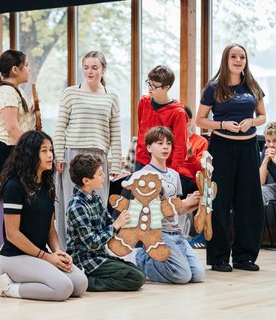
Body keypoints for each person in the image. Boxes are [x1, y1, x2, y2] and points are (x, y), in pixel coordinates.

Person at [0, 131, 88, 301]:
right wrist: (47, 257)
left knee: (80, 284)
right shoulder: (14, 186)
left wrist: (58, 252)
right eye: (44, 151)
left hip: (39, 255)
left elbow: (50, 229)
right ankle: (7, 288)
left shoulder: (47, 185)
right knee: (62, 288)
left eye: (51, 150)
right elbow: (12, 234)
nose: (50, 155)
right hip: (14, 257)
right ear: (30, 154)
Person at [196, 43, 266, 272]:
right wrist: (222, 124)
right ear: (226, 59)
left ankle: (244, 257)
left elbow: (263, 116)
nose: (238, 60)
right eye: (234, 56)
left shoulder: (252, 86)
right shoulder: (213, 87)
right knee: (219, 202)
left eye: (242, 57)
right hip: (221, 148)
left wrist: (252, 121)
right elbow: (200, 120)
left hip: (248, 149)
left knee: (249, 202)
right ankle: (218, 258)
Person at [54, 51, 122, 251]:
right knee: (70, 204)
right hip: (72, 155)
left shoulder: (111, 97)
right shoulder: (70, 93)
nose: (89, 71)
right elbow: (60, 126)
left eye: (94, 67)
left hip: (99, 157)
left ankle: (98, 249)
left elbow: (115, 132)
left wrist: (116, 162)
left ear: (103, 70)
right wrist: (58, 155)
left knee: (98, 205)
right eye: (86, 67)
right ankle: (67, 251)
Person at [132, 126, 204, 284]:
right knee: (182, 276)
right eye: (160, 143)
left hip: (177, 233)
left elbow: (177, 211)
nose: (165, 147)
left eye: (168, 143)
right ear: (149, 147)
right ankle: (141, 258)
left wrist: (189, 205)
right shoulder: (144, 175)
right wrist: (183, 202)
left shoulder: (174, 175)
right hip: (157, 233)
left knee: (197, 275)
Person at [66, 154, 146, 292]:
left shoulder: (95, 197)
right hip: (85, 261)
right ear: (86, 180)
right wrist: (116, 225)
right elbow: (93, 243)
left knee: (138, 272)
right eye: (100, 174)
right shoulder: (76, 206)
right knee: (136, 278)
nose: (104, 177)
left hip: (100, 255)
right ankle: (87, 282)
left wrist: (127, 219)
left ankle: (88, 279)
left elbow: (109, 222)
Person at [0, 49, 35, 177]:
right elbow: (12, 127)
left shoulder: (16, 90)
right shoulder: (7, 92)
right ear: (15, 69)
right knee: (14, 193)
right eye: (26, 65)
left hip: (16, 147)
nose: (29, 69)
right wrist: (28, 152)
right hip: (10, 148)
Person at [135, 65, 188, 173]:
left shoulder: (178, 113)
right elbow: (141, 130)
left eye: (154, 86)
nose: (150, 88)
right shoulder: (144, 102)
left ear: (166, 87)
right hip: (142, 161)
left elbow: (180, 146)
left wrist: (172, 172)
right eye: (149, 83)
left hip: (164, 164)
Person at [178, 106, 208, 249]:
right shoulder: (170, 140)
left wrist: (190, 156)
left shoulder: (200, 141)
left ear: (188, 121)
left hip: (190, 179)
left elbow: (201, 171)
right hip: (172, 175)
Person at [260, 121, 276, 225]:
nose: (271, 144)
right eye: (268, 141)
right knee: (257, 191)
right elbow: (260, 182)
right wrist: (265, 161)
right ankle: (254, 233)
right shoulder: (266, 151)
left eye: (275, 141)